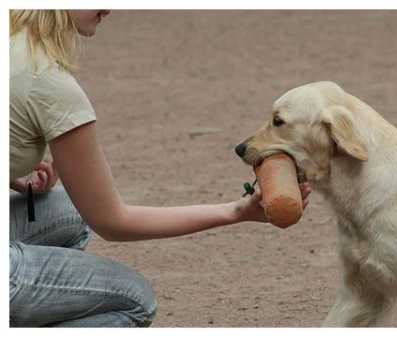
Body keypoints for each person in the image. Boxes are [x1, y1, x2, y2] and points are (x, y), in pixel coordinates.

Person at [9, 10, 311, 327]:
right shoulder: (52, 86)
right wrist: (236, 212)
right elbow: (113, 223)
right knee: (136, 300)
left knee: (75, 213)